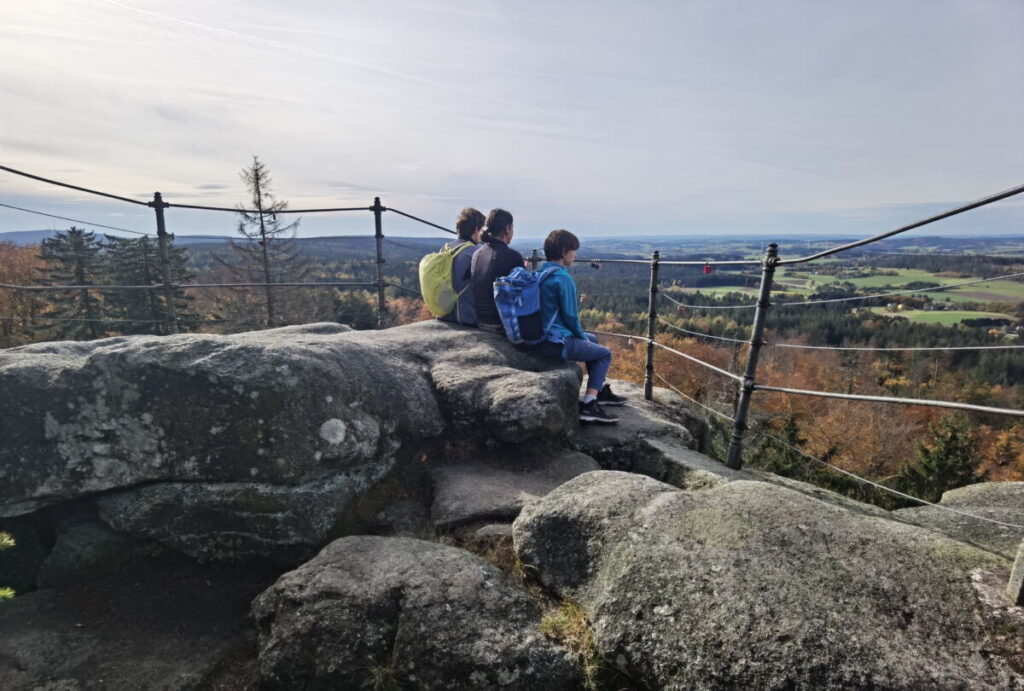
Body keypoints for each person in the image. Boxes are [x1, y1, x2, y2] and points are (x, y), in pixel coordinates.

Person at [533, 229, 626, 424]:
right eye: (574, 250)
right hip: (556, 341)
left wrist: (585, 337)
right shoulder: (562, 278)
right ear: (565, 250)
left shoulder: (540, 272)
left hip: (540, 335)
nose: (575, 255)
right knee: (604, 353)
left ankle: (598, 390)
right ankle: (589, 405)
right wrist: (580, 335)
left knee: (593, 339)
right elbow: (570, 317)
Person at [470, 209, 525, 334]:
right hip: (501, 325)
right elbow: (522, 297)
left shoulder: (477, 254)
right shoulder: (513, 257)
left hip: (480, 321)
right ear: (507, 228)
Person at [439, 207, 484, 326]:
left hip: (444, 313)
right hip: (467, 317)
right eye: (481, 230)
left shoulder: (445, 248)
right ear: (476, 230)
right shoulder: (475, 252)